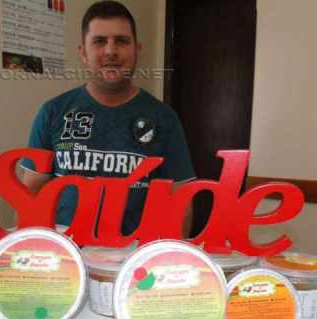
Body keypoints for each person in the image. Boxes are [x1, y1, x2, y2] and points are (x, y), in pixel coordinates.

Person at [21, 0, 195, 236]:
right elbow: (30, 193)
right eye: (99, 41)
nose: (111, 51)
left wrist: (172, 254)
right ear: (83, 53)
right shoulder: (53, 112)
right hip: (64, 250)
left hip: (133, 252)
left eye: (121, 41)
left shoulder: (164, 118)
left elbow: (179, 202)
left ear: (137, 50)